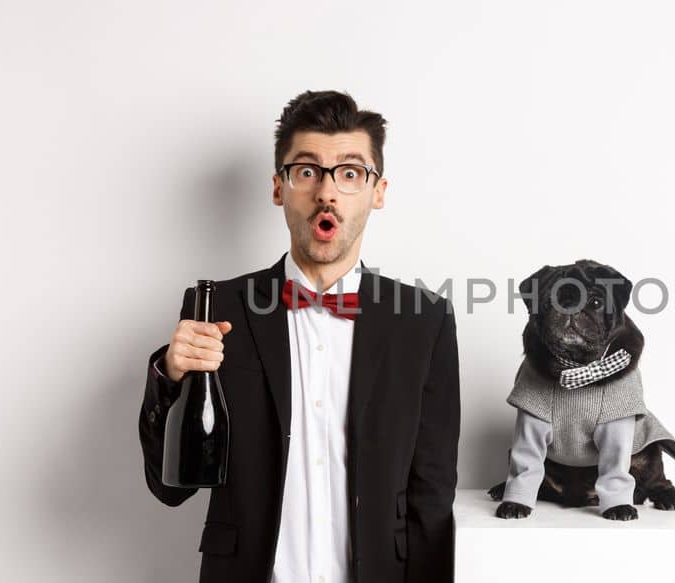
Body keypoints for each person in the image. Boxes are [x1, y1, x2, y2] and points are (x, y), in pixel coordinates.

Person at [137, 90, 460, 583]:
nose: (327, 192)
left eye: (350, 174)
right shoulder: (217, 308)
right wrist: (171, 375)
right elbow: (170, 486)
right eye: (307, 172)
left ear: (378, 191)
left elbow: (432, 499)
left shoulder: (424, 320)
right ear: (279, 187)